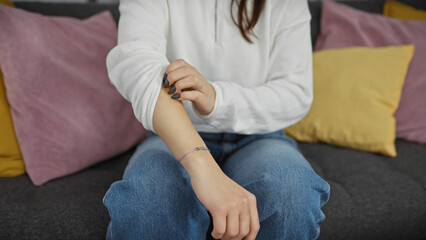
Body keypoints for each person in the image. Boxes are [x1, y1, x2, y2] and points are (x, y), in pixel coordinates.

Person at [103, 0, 331, 239]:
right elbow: (140, 69)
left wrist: (216, 99)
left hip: (259, 137)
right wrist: (202, 166)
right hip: (173, 134)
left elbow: (295, 93)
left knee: (292, 192)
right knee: (149, 195)